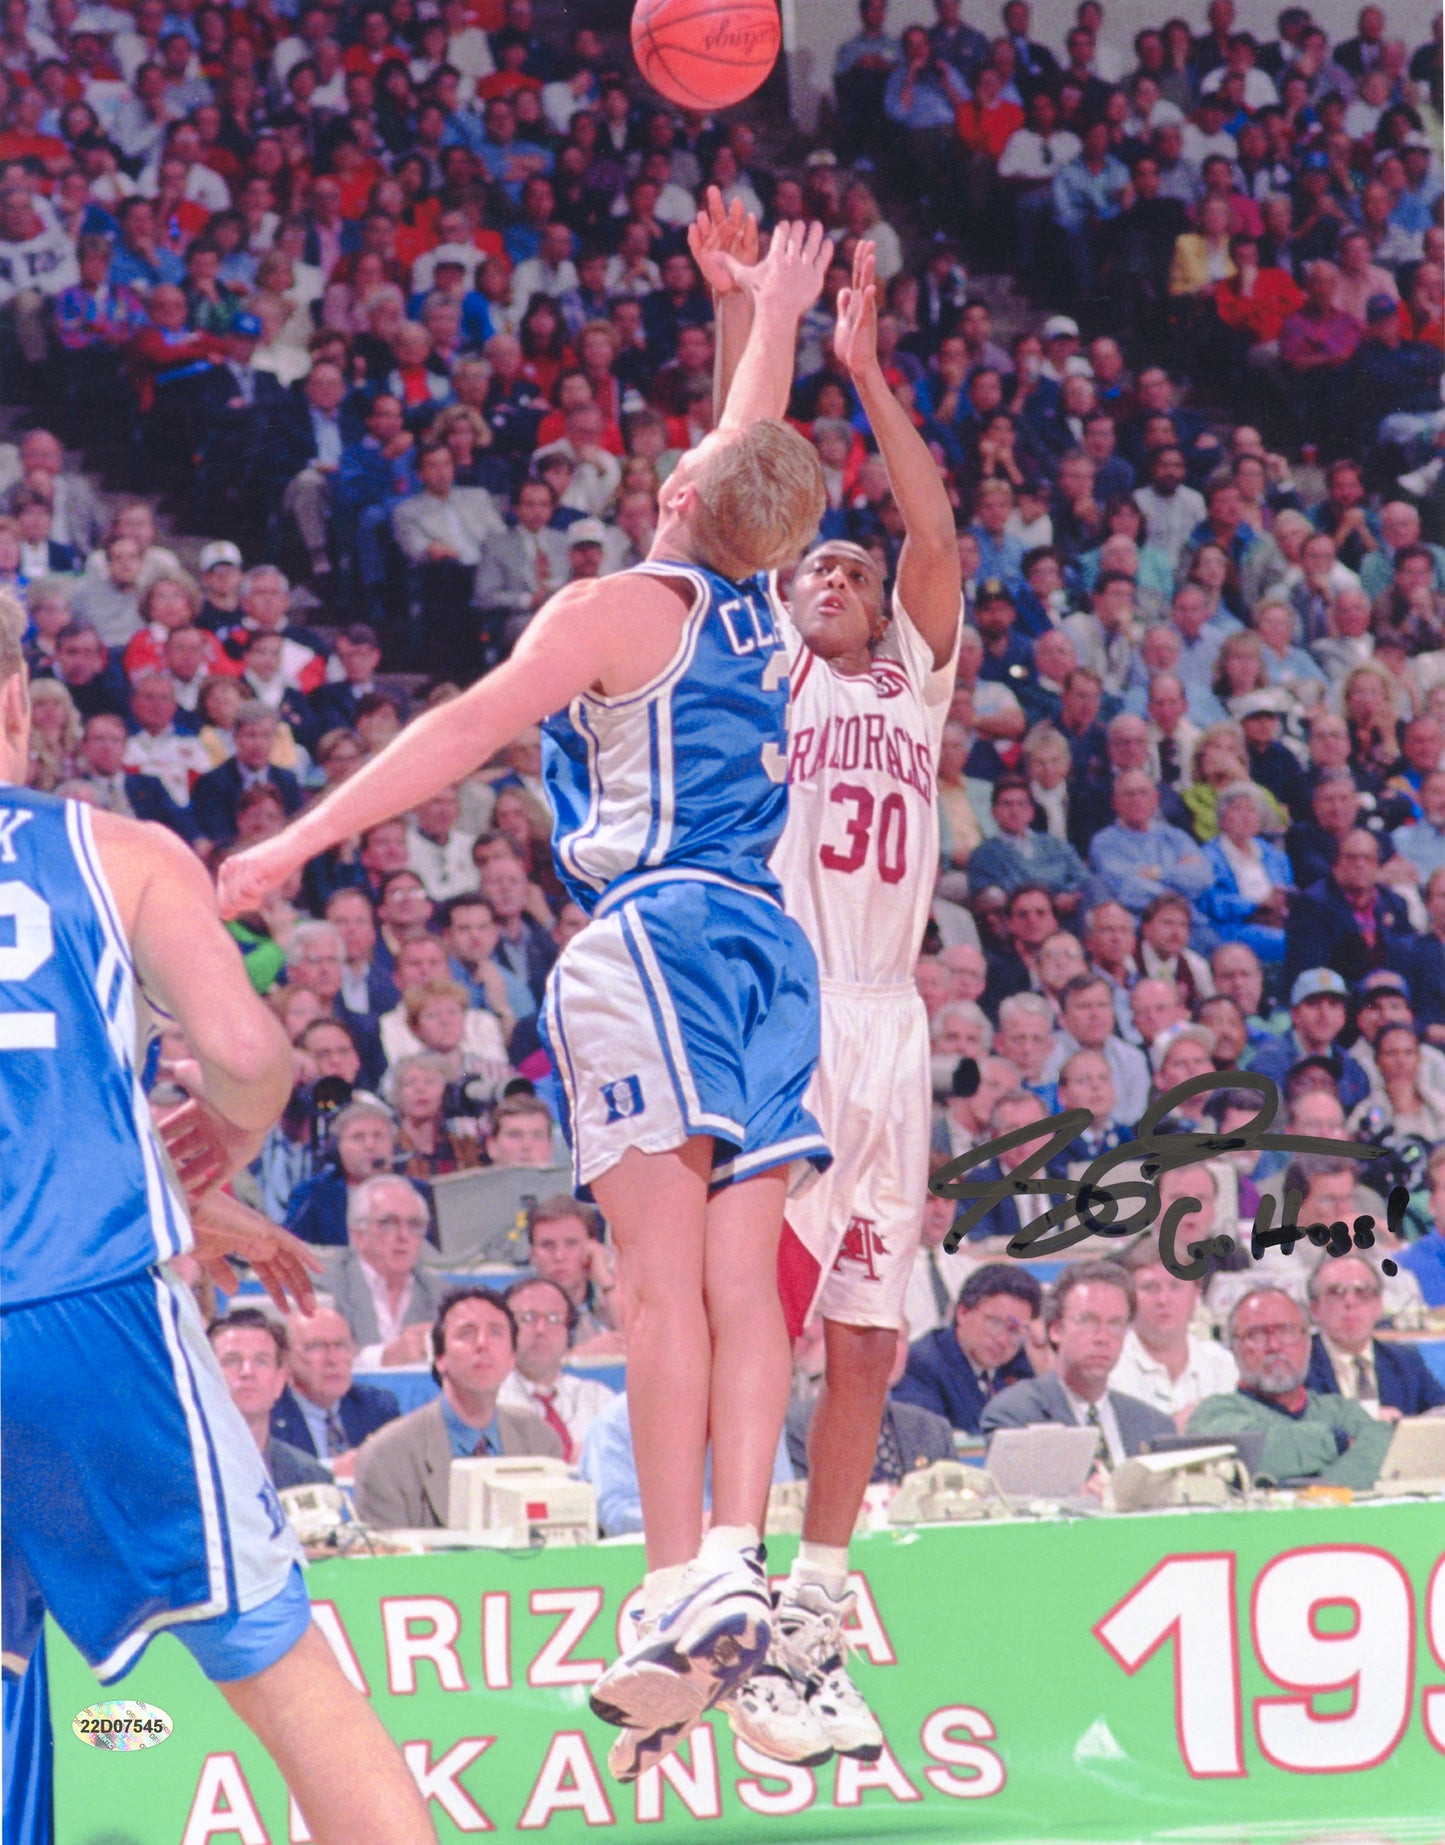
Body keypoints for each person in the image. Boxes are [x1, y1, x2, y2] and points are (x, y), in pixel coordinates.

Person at [220, 216, 838, 1781]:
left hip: (653, 941)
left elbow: (459, 733)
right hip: (774, 950)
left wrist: (297, 837)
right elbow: (747, 447)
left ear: (684, 495)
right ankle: (733, 1569)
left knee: (648, 1287)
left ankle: (673, 1575)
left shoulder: (618, 608)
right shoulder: (765, 601)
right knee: (743, 1281)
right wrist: (761, 307)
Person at [0, 597, 435, 1845]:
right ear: (22, 707)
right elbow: (250, 1053)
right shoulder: (116, 850)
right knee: (279, 1666)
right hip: (84, 1310)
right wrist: (223, 1144)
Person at [693, 228, 962, 1766]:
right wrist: (752, 316)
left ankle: (813, 1605)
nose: (838, 575)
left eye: (850, 568)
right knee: (770, 1317)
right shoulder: (766, 674)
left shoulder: (907, 682)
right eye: (817, 568)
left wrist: (865, 370)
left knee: (867, 1331)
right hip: (790, 1009)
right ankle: (723, 1584)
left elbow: (934, 526)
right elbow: (724, 504)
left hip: (892, 1019)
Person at [351, 1286, 565, 1530]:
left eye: (496, 1333)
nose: (483, 1344)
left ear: (512, 1358)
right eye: (467, 1333)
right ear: (439, 1358)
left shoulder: (539, 1441)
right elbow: (389, 1564)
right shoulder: (386, 1456)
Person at [1187, 1288, 1395, 1490]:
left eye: (1287, 1331)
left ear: (1308, 1342)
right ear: (1233, 1347)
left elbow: (1387, 1451)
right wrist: (1337, 1441)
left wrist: (1316, 1493)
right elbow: (1254, 1454)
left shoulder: (1341, 1411)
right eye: (1256, 1335)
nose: (1274, 1345)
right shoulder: (1213, 1414)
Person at [979, 1262, 1176, 1466]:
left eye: (1115, 1324)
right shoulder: (1015, 1415)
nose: (1102, 1337)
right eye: (1087, 1321)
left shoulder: (1155, 1425)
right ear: (1055, 1330)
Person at [1111, 1215, 1239, 1430]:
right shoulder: (1111, 1367)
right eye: (1150, 1287)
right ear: (1129, 1296)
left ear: (1196, 1294)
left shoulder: (1224, 1365)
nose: (1163, 1300)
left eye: (1176, 1286)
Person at [893, 1263, 1040, 1435]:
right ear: (962, 1312)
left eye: (1015, 1330)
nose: (1002, 1340)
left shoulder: (1019, 1366)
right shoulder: (923, 1364)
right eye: (995, 1323)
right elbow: (926, 1440)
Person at [321, 1173, 450, 1368]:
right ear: (358, 1235)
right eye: (388, 1223)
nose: (404, 1236)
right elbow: (318, 1362)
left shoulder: (440, 1293)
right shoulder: (330, 1284)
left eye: (414, 1225)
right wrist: (383, 1357)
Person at [1303, 1252, 1445, 1419]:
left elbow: (1440, 1412)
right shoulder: (1300, 1363)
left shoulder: (1406, 1361)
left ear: (1378, 1305)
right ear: (1315, 1309)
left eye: (1361, 1292)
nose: (1350, 1302)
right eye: (1336, 1292)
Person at [208, 1308, 333, 1491]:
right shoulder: (179, 1472)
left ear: (280, 1381)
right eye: (232, 1360)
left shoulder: (312, 1478)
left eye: (261, 1361)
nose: (247, 1372)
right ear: (206, 1375)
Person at [496, 1276, 616, 1461]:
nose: (541, 1329)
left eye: (554, 1319)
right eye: (528, 1318)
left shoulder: (597, 1398)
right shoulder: (490, 1402)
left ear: (569, 1331)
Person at [269, 1305, 401, 1470]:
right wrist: (331, 1469)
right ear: (285, 1359)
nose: (332, 1359)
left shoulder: (377, 1407)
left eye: (340, 1345)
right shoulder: (270, 1415)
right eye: (315, 1347)